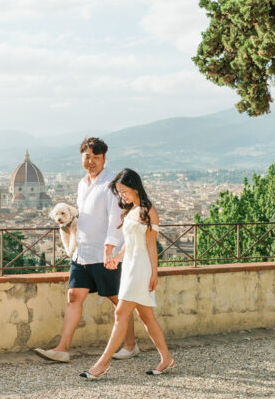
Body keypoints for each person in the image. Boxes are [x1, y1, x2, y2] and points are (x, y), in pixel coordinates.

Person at [33, 138, 138, 363]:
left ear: (104, 159)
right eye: (87, 157)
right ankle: (62, 348)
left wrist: (110, 249)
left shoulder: (111, 184)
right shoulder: (83, 183)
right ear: (82, 157)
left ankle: (131, 345)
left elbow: (115, 219)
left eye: (96, 157)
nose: (91, 162)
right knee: (74, 296)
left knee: (118, 300)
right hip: (82, 252)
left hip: (104, 253)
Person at [80, 168, 174, 379]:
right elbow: (130, 244)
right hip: (130, 267)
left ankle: (101, 364)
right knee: (147, 317)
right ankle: (166, 358)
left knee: (120, 313)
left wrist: (154, 273)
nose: (121, 195)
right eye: (119, 192)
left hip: (141, 269)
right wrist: (116, 257)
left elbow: (151, 245)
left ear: (135, 186)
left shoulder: (147, 210)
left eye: (124, 191)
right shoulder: (130, 210)